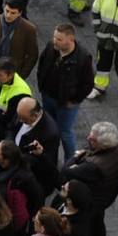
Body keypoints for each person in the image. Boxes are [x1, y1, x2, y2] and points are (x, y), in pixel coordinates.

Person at [61, 120, 118, 236]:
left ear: (103, 146)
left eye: (93, 139)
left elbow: (66, 171)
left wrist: (75, 158)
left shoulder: (93, 166)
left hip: (91, 201)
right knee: (98, 223)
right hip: (105, 196)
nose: (88, 137)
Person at [34, 23, 94, 157]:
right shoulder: (51, 47)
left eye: (59, 39)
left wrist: (75, 100)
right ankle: (49, 155)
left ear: (70, 40)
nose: (54, 41)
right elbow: (42, 64)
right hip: (48, 96)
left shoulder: (83, 57)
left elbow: (88, 83)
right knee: (48, 128)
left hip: (66, 103)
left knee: (65, 133)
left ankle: (70, 161)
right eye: (54, 37)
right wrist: (42, 86)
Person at [0, 0, 39, 82]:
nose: (8, 15)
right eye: (7, 11)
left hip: (13, 74)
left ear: (20, 13)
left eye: (13, 13)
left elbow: (32, 55)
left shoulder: (28, 29)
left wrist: (21, 76)